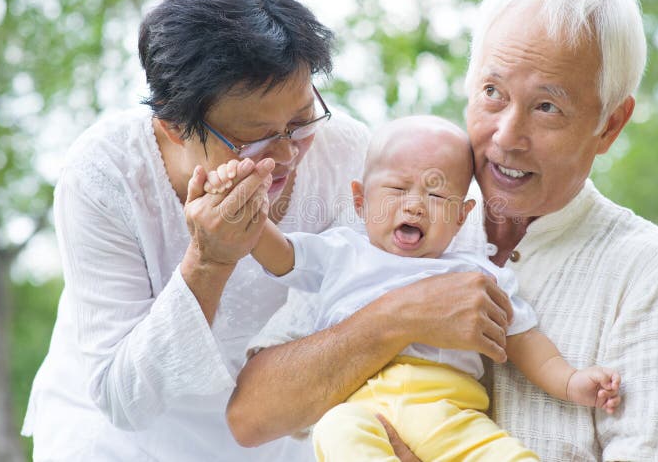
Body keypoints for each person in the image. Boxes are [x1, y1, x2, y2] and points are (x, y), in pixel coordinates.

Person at [228, 0, 658, 461]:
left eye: (547, 107)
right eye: (492, 91)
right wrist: (397, 317)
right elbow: (252, 417)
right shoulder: (388, 226)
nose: (508, 136)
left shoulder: (656, 273)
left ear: (610, 125)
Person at [22, 0, 375, 461]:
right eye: (254, 138)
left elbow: (361, 312)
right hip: (114, 440)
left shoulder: (346, 156)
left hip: (269, 430)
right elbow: (123, 399)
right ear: (173, 126)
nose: (286, 154)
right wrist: (208, 264)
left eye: (300, 120)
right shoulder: (104, 176)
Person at [211, 116, 620, 461]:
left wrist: (570, 381)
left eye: (437, 192)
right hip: (361, 409)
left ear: (461, 216)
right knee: (335, 431)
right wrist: (239, 204)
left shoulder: (475, 274)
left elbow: (525, 339)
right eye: (396, 189)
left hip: (448, 411)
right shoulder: (341, 251)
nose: (414, 205)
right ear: (360, 199)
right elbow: (280, 255)